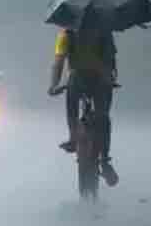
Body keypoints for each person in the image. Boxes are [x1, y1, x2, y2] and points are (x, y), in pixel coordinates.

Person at [48, 25, 119, 187]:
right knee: (103, 116)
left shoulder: (66, 34)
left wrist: (54, 85)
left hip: (77, 80)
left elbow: (58, 62)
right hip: (101, 81)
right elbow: (111, 60)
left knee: (71, 104)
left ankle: (73, 138)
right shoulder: (104, 31)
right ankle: (105, 160)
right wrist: (111, 77)